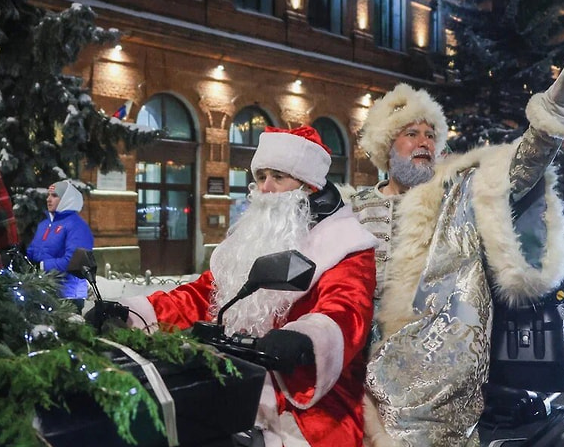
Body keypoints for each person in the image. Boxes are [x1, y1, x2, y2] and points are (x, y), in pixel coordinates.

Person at [352, 42, 564, 446]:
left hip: (432, 365)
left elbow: (518, 170)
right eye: (411, 133)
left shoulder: (456, 194)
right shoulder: (353, 208)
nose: (424, 141)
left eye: (430, 135)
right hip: (355, 357)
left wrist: (558, 109)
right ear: (387, 146)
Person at [122, 126, 378, 447]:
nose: (265, 189)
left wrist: (306, 337)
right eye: (261, 177)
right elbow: (204, 294)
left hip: (305, 399)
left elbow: (347, 308)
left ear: (309, 186)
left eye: (279, 177)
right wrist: (135, 313)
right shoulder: (251, 238)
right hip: (236, 378)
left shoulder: (345, 243)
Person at [26, 179, 93, 312]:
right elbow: (33, 252)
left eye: (55, 196)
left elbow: (74, 261)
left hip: (68, 296)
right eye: (48, 195)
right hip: (44, 292)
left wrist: (42, 266)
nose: (48, 199)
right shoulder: (44, 225)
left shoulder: (77, 226)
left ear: (67, 199)